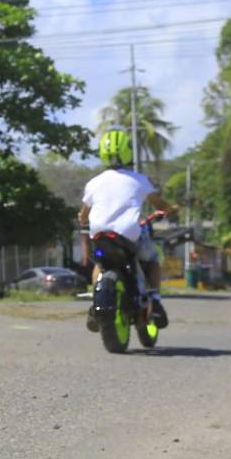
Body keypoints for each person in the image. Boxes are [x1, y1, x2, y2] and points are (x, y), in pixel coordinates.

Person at [80, 129, 178, 330]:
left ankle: (95, 301)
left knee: (100, 264)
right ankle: (156, 300)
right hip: (130, 234)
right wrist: (170, 209)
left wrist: (82, 221)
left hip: (100, 235)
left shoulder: (94, 182)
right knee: (152, 262)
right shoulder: (138, 179)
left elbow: (82, 215)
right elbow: (159, 203)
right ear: (127, 152)